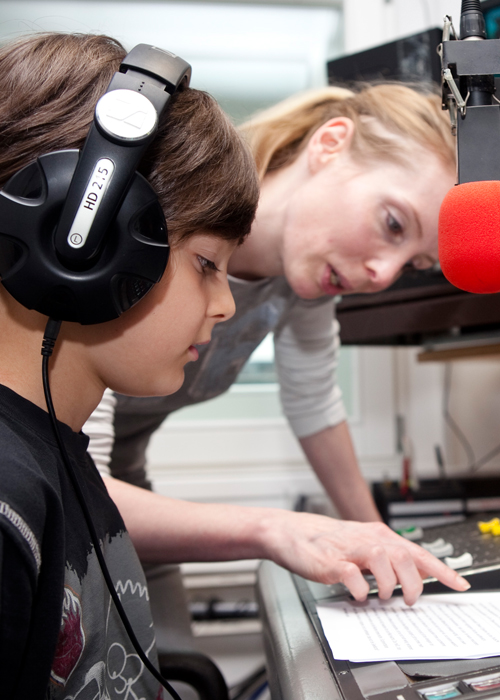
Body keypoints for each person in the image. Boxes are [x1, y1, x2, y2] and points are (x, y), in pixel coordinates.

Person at [82, 81, 470, 610]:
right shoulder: (148, 227)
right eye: (393, 223)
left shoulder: (305, 278)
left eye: (414, 265)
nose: (383, 274)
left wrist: (381, 542)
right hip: (59, 476)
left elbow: (313, 402)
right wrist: (278, 531)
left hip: (121, 480)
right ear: (330, 144)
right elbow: (77, 483)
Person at [0, 31, 259, 698]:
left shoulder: (55, 452)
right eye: (207, 265)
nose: (227, 305)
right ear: (78, 243)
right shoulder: (7, 503)